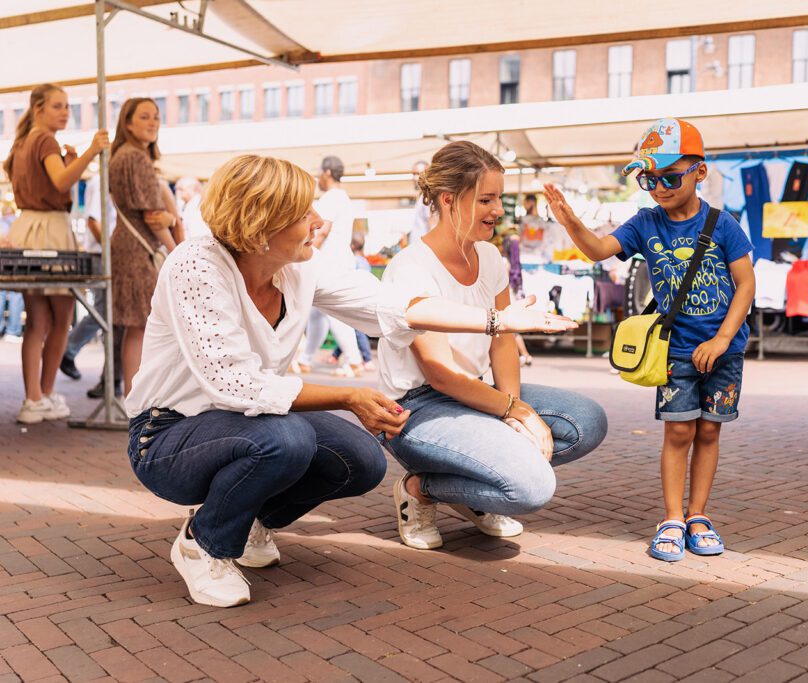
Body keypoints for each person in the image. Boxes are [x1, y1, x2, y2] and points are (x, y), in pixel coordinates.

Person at [124, 154, 573, 607]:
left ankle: (249, 519)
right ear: (260, 224)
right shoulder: (196, 265)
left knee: (361, 459)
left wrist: (496, 320)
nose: (319, 221)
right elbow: (234, 383)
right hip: (167, 433)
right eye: (304, 214)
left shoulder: (299, 267)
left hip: (250, 423)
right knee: (287, 439)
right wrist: (348, 395)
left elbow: (391, 306)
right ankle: (203, 543)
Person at [378, 141, 608, 551]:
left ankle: (477, 479)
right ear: (449, 200)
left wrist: (512, 407)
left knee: (587, 421)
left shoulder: (491, 257)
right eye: (486, 199)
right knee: (530, 489)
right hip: (419, 406)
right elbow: (439, 372)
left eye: (499, 198)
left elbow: (503, 342)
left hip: (476, 393)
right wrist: (513, 411)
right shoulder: (410, 267)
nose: (499, 210)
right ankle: (421, 488)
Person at [543, 118, 755, 562]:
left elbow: (746, 285)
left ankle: (699, 516)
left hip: (724, 350)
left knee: (710, 433)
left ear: (700, 171)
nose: (659, 188)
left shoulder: (723, 224)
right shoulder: (644, 222)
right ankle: (673, 518)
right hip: (674, 350)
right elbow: (600, 250)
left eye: (669, 177)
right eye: (649, 179)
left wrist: (721, 340)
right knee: (679, 431)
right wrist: (568, 220)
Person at [3, 83, 109, 424]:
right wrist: (90, 152)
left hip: (28, 228)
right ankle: (42, 395)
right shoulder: (44, 139)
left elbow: (22, 173)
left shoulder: (23, 142)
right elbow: (62, 183)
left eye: (66, 106)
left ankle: (36, 397)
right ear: (38, 109)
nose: (65, 112)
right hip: (52, 230)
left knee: (36, 321)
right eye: (58, 106)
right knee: (60, 318)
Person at [109, 97, 181, 396]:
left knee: (136, 325)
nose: (153, 122)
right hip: (139, 250)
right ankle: (136, 397)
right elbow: (153, 217)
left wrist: (168, 216)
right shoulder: (135, 157)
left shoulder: (123, 156)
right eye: (144, 117)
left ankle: (133, 395)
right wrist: (176, 251)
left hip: (128, 245)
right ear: (127, 123)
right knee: (143, 324)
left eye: (156, 116)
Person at [296, 156, 363, 377]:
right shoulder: (341, 197)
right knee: (316, 314)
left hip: (329, 263)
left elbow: (321, 230)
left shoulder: (332, 197)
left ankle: (355, 362)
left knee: (333, 312)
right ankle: (305, 359)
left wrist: (305, 255)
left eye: (319, 174)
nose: (317, 179)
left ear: (326, 172)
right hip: (336, 261)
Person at [60, 174, 124, 398]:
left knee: (108, 314)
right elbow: (93, 220)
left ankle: (111, 378)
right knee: (104, 313)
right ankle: (67, 349)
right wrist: (112, 248)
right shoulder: (101, 182)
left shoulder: (105, 181)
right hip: (102, 255)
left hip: (105, 253)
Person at [332, 232, 376, 371]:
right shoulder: (365, 262)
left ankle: (367, 359)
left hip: (355, 297)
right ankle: (335, 355)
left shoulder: (353, 261)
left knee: (356, 330)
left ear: (351, 245)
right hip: (365, 296)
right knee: (349, 329)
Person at [0, 203, 25, 343]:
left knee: (1, 293)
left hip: (2, 261)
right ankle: (12, 330)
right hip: (16, 261)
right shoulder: (18, 222)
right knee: (16, 294)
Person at [407, 160, 432, 243]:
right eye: (413, 174)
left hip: (424, 248)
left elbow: (432, 226)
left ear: (428, 174)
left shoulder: (428, 197)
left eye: (418, 174)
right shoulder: (422, 197)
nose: (414, 178)